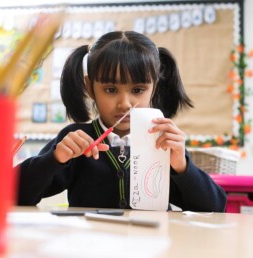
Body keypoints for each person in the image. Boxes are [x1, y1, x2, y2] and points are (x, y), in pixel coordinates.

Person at [17, 31, 227, 211]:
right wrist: (54, 159)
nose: (125, 103)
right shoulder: (75, 140)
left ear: (154, 87)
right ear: (90, 87)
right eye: (110, 90)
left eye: (138, 90)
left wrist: (182, 167)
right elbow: (11, 194)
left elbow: (215, 208)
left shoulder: (162, 142)